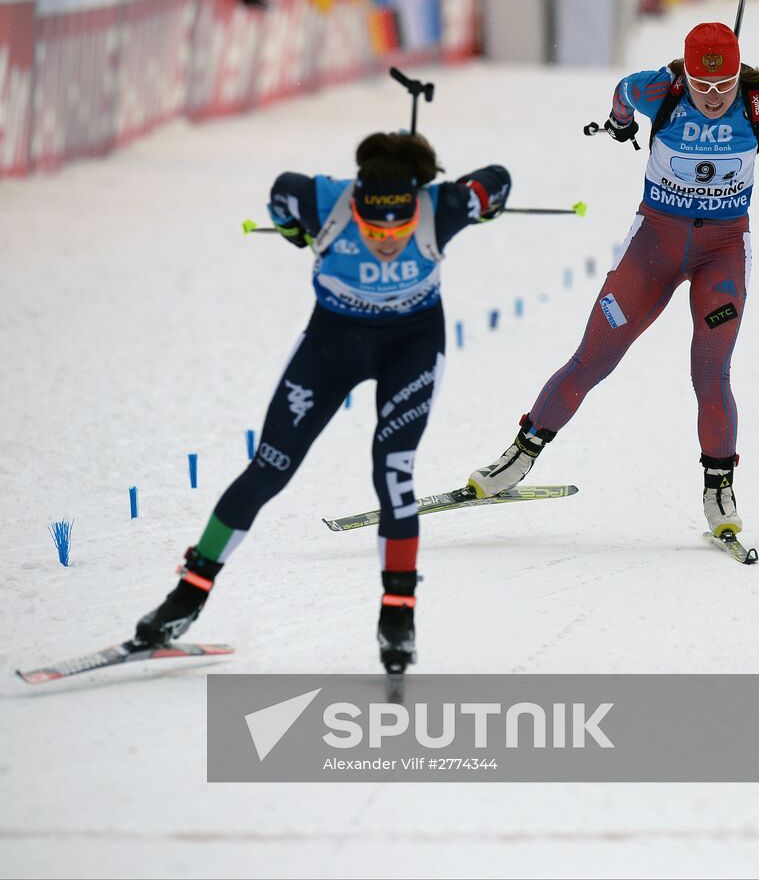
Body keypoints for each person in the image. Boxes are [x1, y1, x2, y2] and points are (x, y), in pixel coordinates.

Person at [135, 132, 511, 673]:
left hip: (411, 347)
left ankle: (397, 616)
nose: (385, 240)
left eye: (398, 229)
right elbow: (282, 191)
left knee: (395, 473)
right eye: (372, 227)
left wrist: (484, 201)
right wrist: (292, 229)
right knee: (268, 468)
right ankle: (185, 599)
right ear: (354, 204)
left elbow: (497, 176)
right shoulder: (325, 201)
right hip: (332, 346)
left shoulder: (441, 206)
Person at [468, 21, 759, 540]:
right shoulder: (656, 89)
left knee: (710, 372)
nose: (713, 98)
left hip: (723, 253)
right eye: (702, 86)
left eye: (724, 85)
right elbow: (621, 96)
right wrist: (621, 125)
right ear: (685, 74)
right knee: (592, 357)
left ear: (740, 76)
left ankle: (719, 488)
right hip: (654, 248)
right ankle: (520, 455)